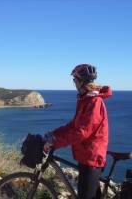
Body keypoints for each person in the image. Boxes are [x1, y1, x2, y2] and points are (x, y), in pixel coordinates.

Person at [44, 64, 112, 199]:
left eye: (75, 80)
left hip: (91, 158)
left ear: (81, 82)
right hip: (86, 156)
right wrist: (54, 134)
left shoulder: (94, 102)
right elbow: (74, 125)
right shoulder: (86, 99)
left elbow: (82, 132)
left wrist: (55, 142)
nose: (74, 83)